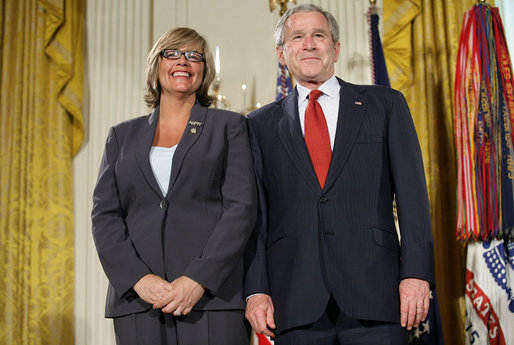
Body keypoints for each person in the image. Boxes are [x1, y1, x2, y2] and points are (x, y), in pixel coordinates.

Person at [244, 4, 435, 345]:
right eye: (297, 37)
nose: (309, 44)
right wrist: (256, 290)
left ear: (336, 47)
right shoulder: (258, 125)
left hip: (376, 294)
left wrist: (417, 274)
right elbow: (256, 215)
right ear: (281, 53)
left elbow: (413, 199)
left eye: (319, 35)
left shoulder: (385, 104)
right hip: (294, 301)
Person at [91, 27, 257, 345]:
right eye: (173, 53)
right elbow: (105, 216)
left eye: (195, 56)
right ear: (156, 65)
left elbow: (241, 209)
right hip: (139, 302)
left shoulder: (229, 126)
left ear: (204, 72)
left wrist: (199, 278)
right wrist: (138, 279)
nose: (184, 61)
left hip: (212, 299)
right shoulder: (121, 136)